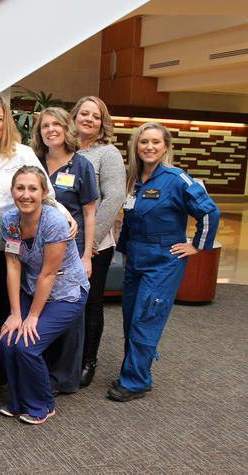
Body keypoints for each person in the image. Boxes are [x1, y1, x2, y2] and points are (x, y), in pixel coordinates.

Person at [0, 94, 74, 413]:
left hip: (19, 253)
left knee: (9, 315)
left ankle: (3, 381)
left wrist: (66, 216)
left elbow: (46, 194)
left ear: (6, 122)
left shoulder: (22, 153)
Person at [108, 122, 220, 402]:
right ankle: (135, 370)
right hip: (134, 258)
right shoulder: (136, 181)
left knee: (147, 317)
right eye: (144, 141)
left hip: (162, 262)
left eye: (156, 142)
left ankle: (135, 381)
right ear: (136, 146)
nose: (149, 147)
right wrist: (124, 251)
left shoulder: (176, 178)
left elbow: (210, 212)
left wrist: (196, 246)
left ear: (166, 147)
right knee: (131, 317)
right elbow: (130, 222)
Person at [0, 165, 89, 424]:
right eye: (20, 188)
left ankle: (42, 405)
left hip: (66, 293)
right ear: (13, 191)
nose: (26, 195)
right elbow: (13, 266)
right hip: (31, 290)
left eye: (32, 189)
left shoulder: (54, 222)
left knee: (27, 345)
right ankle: (18, 402)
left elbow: (48, 275)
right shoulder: (9, 221)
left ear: (44, 192)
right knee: (7, 341)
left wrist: (32, 317)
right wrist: (16, 314)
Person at [33, 107, 98, 395]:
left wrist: (86, 256)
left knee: (69, 316)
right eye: (45, 125)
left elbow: (90, 213)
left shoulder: (81, 166)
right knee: (42, 309)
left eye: (57, 124)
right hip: (37, 250)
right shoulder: (34, 162)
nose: (51, 130)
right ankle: (40, 371)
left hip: (71, 252)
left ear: (66, 129)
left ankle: (63, 378)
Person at [69, 96, 126, 388]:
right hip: (61, 245)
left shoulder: (108, 154)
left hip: (95, 246)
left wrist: (90, 242)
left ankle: (87, 361)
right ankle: (64, 357)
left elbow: (114, 198)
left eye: (96, 116)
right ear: (74, 116)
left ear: (103, 123)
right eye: (85, 113)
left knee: (90, 304)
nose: (89, 119)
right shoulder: (62, 150)